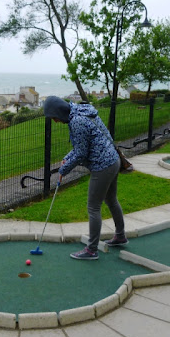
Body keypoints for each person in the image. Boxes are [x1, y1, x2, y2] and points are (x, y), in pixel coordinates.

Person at [43, 96, 128, 260]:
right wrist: (67, 158)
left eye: (54, 117)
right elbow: (82, 146)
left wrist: (63, 169)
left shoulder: (76, 122)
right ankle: (120, 236)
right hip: (113, 160)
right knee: (111, 200)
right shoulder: (82, 111)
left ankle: (91, 250)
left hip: (103, 165)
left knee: (93, 207)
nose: (55, 121)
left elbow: (81, 153)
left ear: (59, 112)